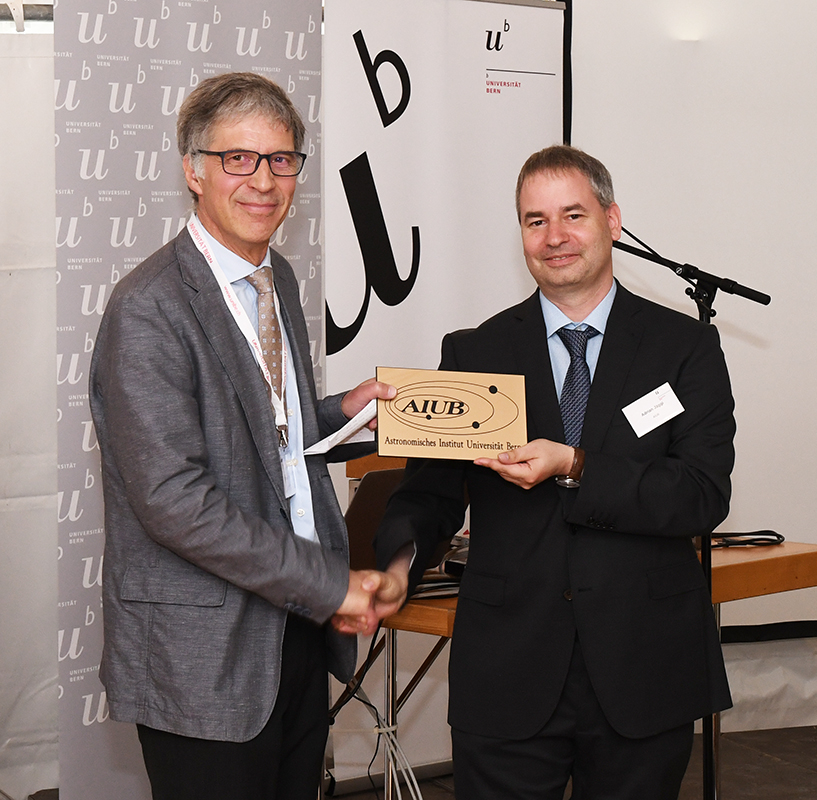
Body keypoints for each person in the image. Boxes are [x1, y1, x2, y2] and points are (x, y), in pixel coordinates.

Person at [374, 145, 735, 799]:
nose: (555, 237)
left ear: (613, 220)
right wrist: (398, 562)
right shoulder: (474, 353)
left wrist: (575, 464)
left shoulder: (684, 348)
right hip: (508, 674)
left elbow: (700, 496)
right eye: (535, 220)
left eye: (573, 214)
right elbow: (428, 492)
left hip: (644, 672)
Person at [89, 72, 405, 800]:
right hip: (207, 654)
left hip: (292, 630)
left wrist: (343, 414)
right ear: (192, 171)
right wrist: (330, 582)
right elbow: (174, 500)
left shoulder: (277, 278)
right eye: (239, 158)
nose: (264, 180)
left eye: (282, 159)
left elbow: (266, 437)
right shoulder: (149, 309)